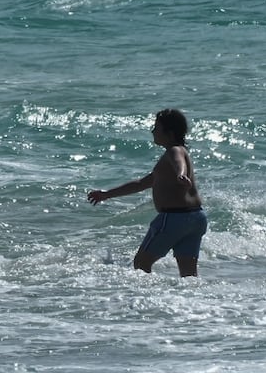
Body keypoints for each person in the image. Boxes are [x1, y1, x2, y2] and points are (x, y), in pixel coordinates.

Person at [87, 109, 207, 277]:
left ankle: (147, 301)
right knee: (188, 275)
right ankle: (191, 301)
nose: (152, 131)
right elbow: (141, 184)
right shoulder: (174, 155)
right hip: (196, 218)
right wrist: (107, 194)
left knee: (141, 263)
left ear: (169, 133)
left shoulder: (174, 151)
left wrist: (181, 174)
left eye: (156, 128)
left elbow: (179, 163)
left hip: (174, 219)